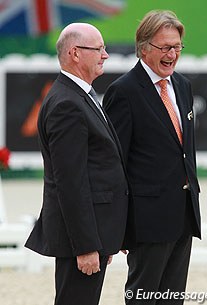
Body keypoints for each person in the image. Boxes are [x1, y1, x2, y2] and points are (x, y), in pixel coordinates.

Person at [25, 23, 130, 305]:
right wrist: (85, 246)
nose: (105, 55)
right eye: (99, 49)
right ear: (75, 53)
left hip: (93, 234)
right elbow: (70, 183)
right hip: (80, 241)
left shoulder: (79, 94)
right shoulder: (66, 104)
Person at [103, 10, 201, 305]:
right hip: (147, 222)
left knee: (173, 299)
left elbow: (184, 150)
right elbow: (115, 162)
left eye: (177, 47)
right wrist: (119, 228)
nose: (172, 54)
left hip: (183, 215)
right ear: (144, 47)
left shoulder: (182, 86)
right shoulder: (123, 92)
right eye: (165, 47)